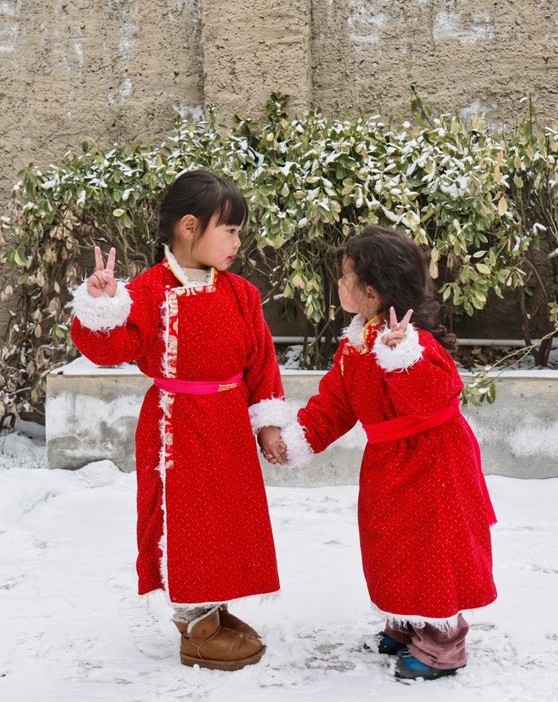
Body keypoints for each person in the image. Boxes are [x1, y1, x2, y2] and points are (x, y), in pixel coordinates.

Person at [257, 226, 498, 681]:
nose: (339, 284)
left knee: (430, 549)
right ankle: (406, 621)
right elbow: (336, 404)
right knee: (391, 545)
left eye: (346, 277)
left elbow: (437, 392)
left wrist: (404, 356)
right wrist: (295, 440)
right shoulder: (357, 343)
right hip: (389, 463)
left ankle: (443, 642)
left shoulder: (415, 344)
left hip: (433, 462)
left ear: (371, 291)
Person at [70, 168, 286, 671]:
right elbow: (111, 349)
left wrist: (268, 423)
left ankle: (215, 604)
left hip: (228, 425)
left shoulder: (241, 293)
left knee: (227, 518)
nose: (237, 242)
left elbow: (261, 361)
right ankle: (195, 626)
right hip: (177, 428)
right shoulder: (148, 291)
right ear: (190, 227)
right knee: (186, 522)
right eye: (230, 230)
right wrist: (103, 306)